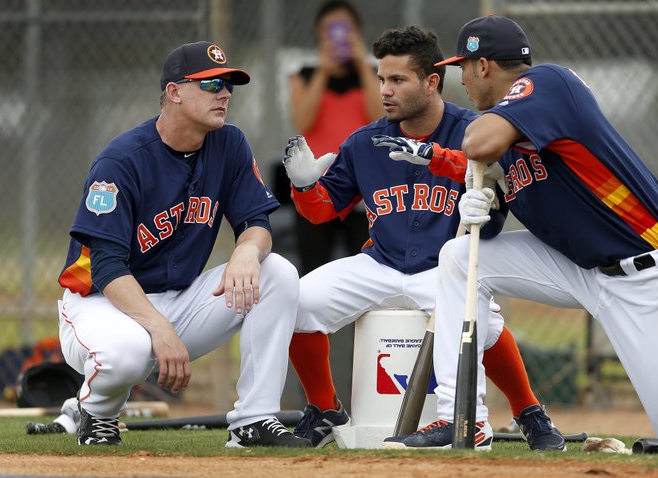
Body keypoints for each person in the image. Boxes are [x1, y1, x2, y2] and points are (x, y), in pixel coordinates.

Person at [386, 14, 658, 446]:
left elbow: (478, 144)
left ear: (484, 66)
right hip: (583, 268)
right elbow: (485, 172)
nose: (461, 78)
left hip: (651, 277)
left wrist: (475, 164)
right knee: (461, 259)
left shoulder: (549, 83)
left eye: (463, 67)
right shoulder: (518, 124)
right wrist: (472, 187)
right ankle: (462, 418)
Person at [283, 25, 565, 451]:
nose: (385, 90)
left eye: (398, 80)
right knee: (294, 301)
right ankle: (324, 410)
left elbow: (494, 215)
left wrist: (483, 201)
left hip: (442, 268)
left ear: (432, 82)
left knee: (482, 322)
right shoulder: (364, 141)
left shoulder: (477, 131)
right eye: (381, 79)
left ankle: (528, 411)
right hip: (380, 262)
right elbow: (322, 211)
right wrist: (304, 186)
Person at [56, 41, 309, 448]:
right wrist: (159, 329)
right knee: (129, 353)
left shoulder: (229, 145)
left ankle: (253, 419)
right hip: (103, 301)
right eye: (211, 85)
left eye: (228, 85)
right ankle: (97, 413)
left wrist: (246, 249)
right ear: (174, 92)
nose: (224, 93)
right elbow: (105, 265)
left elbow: (256, 223)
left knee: (276, 270)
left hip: (181, 300)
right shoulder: (120, 161)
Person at [287, 0, 381, 274]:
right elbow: (303, 120)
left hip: (363, 184)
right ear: (318, 33)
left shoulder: (373, 74)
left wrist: (363, 63)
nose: (337, 37)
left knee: (366, 267)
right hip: (317, 184)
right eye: (330, 30)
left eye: (344, 29)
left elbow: (380, 115)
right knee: (313, 266)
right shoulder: (303, 74)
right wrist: (324, 69)